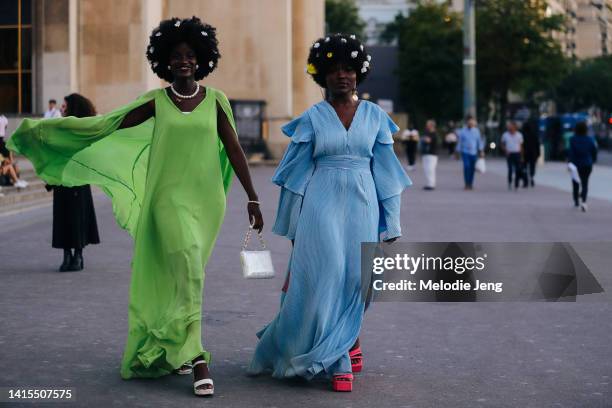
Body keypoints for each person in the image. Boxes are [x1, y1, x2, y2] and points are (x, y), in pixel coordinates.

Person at [8, 17, 264, 397]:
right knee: (188, 266)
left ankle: (175, 343)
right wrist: (59, 134)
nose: (183, 61)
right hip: (167, 200)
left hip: (205, 202)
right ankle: (197, 358)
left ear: (202, 60)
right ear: (164, 61)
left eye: (190, 55)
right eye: (176, 56)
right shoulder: (156, 102)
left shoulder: (215, 101)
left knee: (186, 272)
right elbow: (108, 127)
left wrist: (252, 196)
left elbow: (234, 149)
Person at [248, 33, 411, 392]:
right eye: (335, 69)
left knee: (357, 280)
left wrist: (393, 223)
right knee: (328, 275)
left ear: (359, 74)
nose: (342, 75)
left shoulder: (374, 117)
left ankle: (348, 338)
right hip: (320, 205)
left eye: (349, 69)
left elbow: (388, 176)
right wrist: (292, 231)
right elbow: (293, 179)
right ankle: (338, 360)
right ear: (322, 75)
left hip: (363, 207)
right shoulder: (312, 118)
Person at [46, 94, 101, 272]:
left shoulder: (82, 130)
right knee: (62, 217)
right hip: (62, 180)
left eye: (64, 105)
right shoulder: (60, 127)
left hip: (78, 180)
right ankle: (66, 254)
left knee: (77, 218)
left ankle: (78, 255)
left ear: (73, 107)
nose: (61, 108)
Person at [568, 121, 597, 212]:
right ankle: (584, 202)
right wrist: (593, 160)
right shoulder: (590, 139)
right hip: (587, 164)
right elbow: (594, 150)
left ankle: (576, 201)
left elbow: (571, 152)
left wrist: (569, 162)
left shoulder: (573, 139)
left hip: (575, 164)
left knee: (575, 182)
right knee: (585, 183)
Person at [455, 116, 484, 190]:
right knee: (466, 167)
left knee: (472, 169)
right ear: (467, 123)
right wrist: (457, 152)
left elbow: (479, 142)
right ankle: (466, 183)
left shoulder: (476, 131)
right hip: (465, 152)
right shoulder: (463, 131)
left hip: (474, 152)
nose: (471, 124)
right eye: (469, 122)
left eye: (472, 122)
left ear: (474, 123)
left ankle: (470, 183)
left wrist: (481, 151)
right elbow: (460, 142)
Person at [501, 121, 524, 190]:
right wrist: (505, 150)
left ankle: (516, 184)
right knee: (510, 169)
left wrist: (522, 156)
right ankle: (510, 182)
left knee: (518, 169)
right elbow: (502, 144)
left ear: (515, 127)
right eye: (509, 126)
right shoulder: (505, 135)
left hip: (517, 153)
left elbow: (521, 146)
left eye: (512, 126)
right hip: (509, 154)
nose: (510, 127)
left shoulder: (519, 135)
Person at [521, 117, 540, 187]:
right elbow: (537, 145)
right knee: (532, 167)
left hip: (524, 153)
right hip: (533, 154)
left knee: (524, 167)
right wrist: (538, 153)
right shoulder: (534, 135)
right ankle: (531, 177)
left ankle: (525, 180)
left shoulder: (522, 135)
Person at [420, 119, 438, 190]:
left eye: (428, 124)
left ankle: (431, 184)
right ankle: (428, 183)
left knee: (431, 169)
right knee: (426, 169)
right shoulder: (426, 132)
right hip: (425, 153)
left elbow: (428, 140)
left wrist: (424, 139)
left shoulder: (434, 133)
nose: (427, 126)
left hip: (432, 154)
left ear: (432, 125)